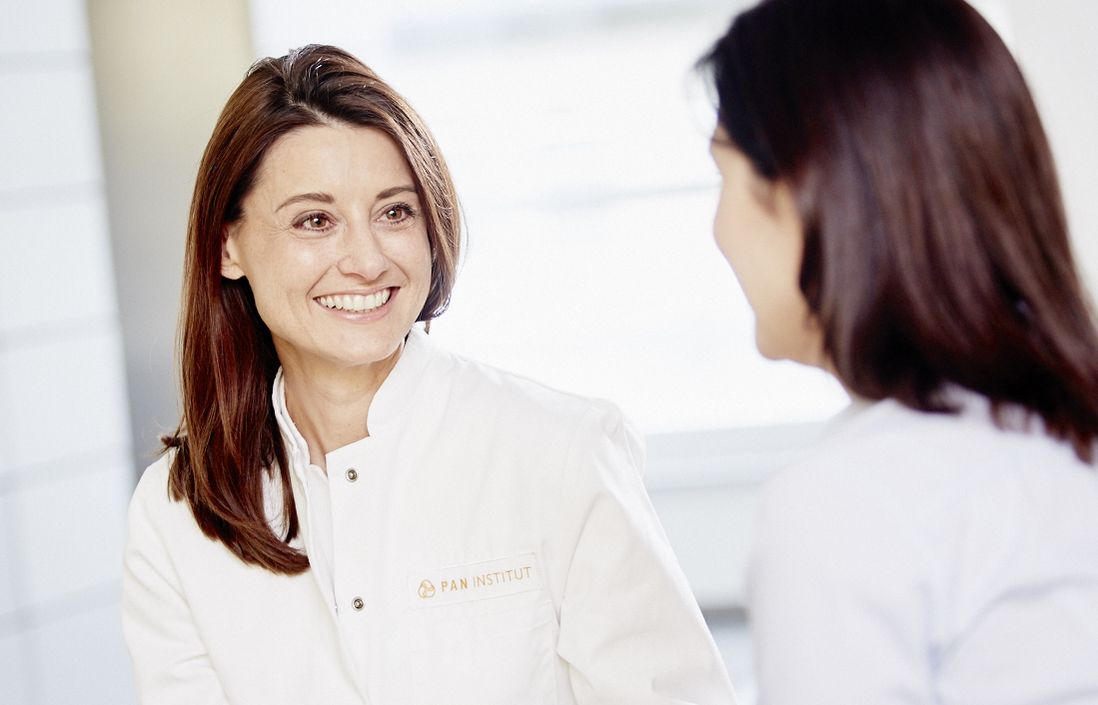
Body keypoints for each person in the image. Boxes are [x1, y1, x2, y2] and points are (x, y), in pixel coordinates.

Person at [121, 44, 737, 705]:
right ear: (227, 245)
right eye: (315, 220)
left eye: (394, 211)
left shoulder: (561, 452)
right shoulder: (176, 509)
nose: (365, 259)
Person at [698, 0, 1098, 703]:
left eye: (724, 174)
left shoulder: (848, 504)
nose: (717, 229)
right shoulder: (1062, 442)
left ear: (807, 192)